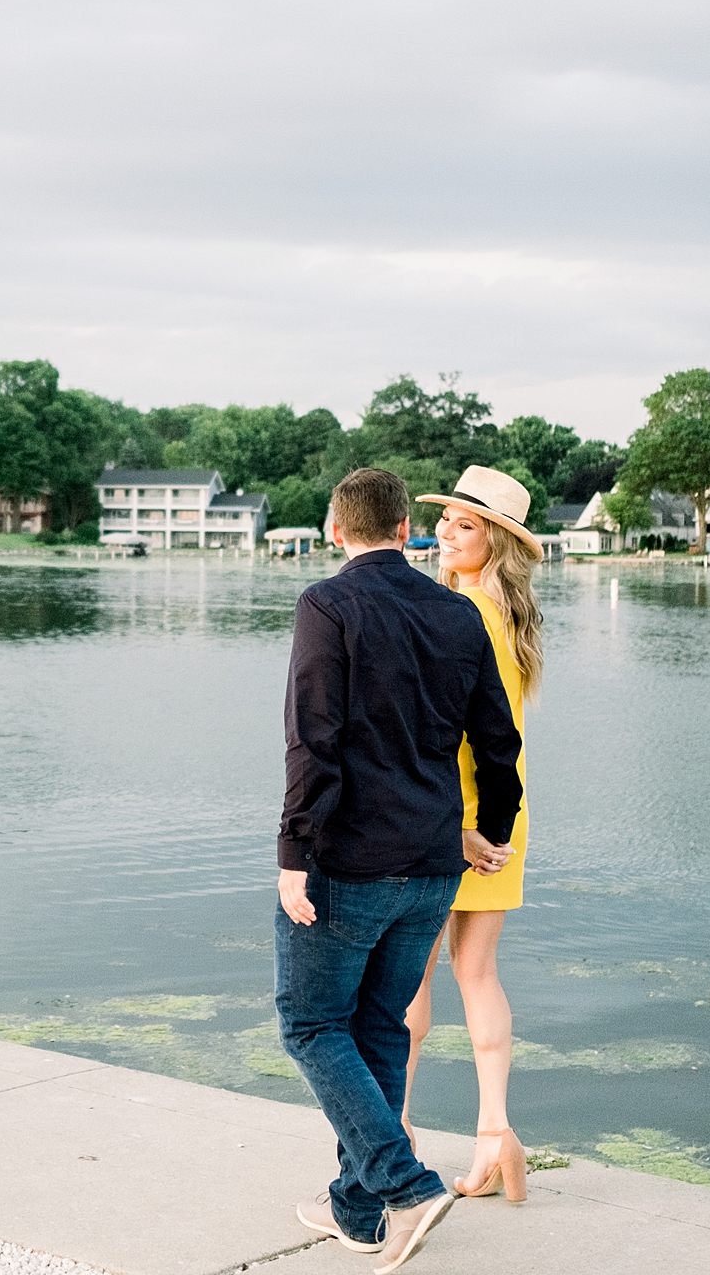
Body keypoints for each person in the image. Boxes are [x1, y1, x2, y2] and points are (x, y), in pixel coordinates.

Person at [277, 466, 526, 1274]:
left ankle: (405, 1187)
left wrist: (294, 855)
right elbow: (499, 742)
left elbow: (313, 741)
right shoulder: (457, 612)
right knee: (380, 1027)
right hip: (432, 866)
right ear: (405, 530)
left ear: (337, 529)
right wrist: (486, 832)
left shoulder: (328, 603)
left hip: (352, 859)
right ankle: (355, 1209)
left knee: (312, 1024)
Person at [400, 466, 546, 1203]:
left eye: (463, 525)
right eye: (445, 522)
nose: (443, 535)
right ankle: (496, 1136)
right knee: (477, 973)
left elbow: (445, 726)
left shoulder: (464, 615)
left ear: (496, 541)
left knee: (410, 975)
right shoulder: (510, 616)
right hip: (502, 813)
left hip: (451, 816)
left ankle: (393, 1133)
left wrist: (455, 823)